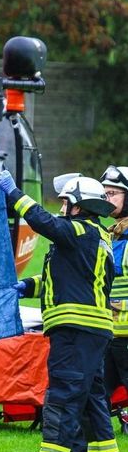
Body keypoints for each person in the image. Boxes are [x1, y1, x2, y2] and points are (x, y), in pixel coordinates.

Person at [0, 170, 122, 452]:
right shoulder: (98, 236)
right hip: (93, 329)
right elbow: (70, 279)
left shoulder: (79, 230)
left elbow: (44, 222)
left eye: (66, 201)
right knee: (92, 396)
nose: (62, 208)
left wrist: (14, 194)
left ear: (79, 206)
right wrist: (30, 286)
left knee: (63, 393)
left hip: (75, 329)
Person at [100, 166, 128, 420]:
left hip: (126, 336)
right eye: (104, 194)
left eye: (113, 194)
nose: (107, 199)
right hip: (111, 333)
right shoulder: (114, 235)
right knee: (96, 396)